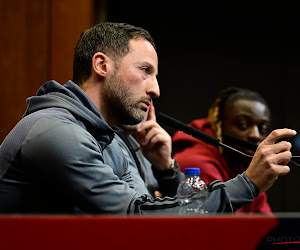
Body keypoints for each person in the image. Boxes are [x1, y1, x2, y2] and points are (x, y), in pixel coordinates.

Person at [0, 22, 296, 215]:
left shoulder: (112, 138)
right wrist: (248, 183)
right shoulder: (55, 131)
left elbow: (159, 208)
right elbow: (136, 217)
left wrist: (166, 171)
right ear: (102, 65)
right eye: (145, 70)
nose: (155, 89)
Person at [172, 87, 274, 213]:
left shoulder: (243, 162)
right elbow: (218, 226)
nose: (255, 135)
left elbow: (263, 223)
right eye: (242, 125)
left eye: (262, 128)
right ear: (219, 126)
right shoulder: (196, 162)